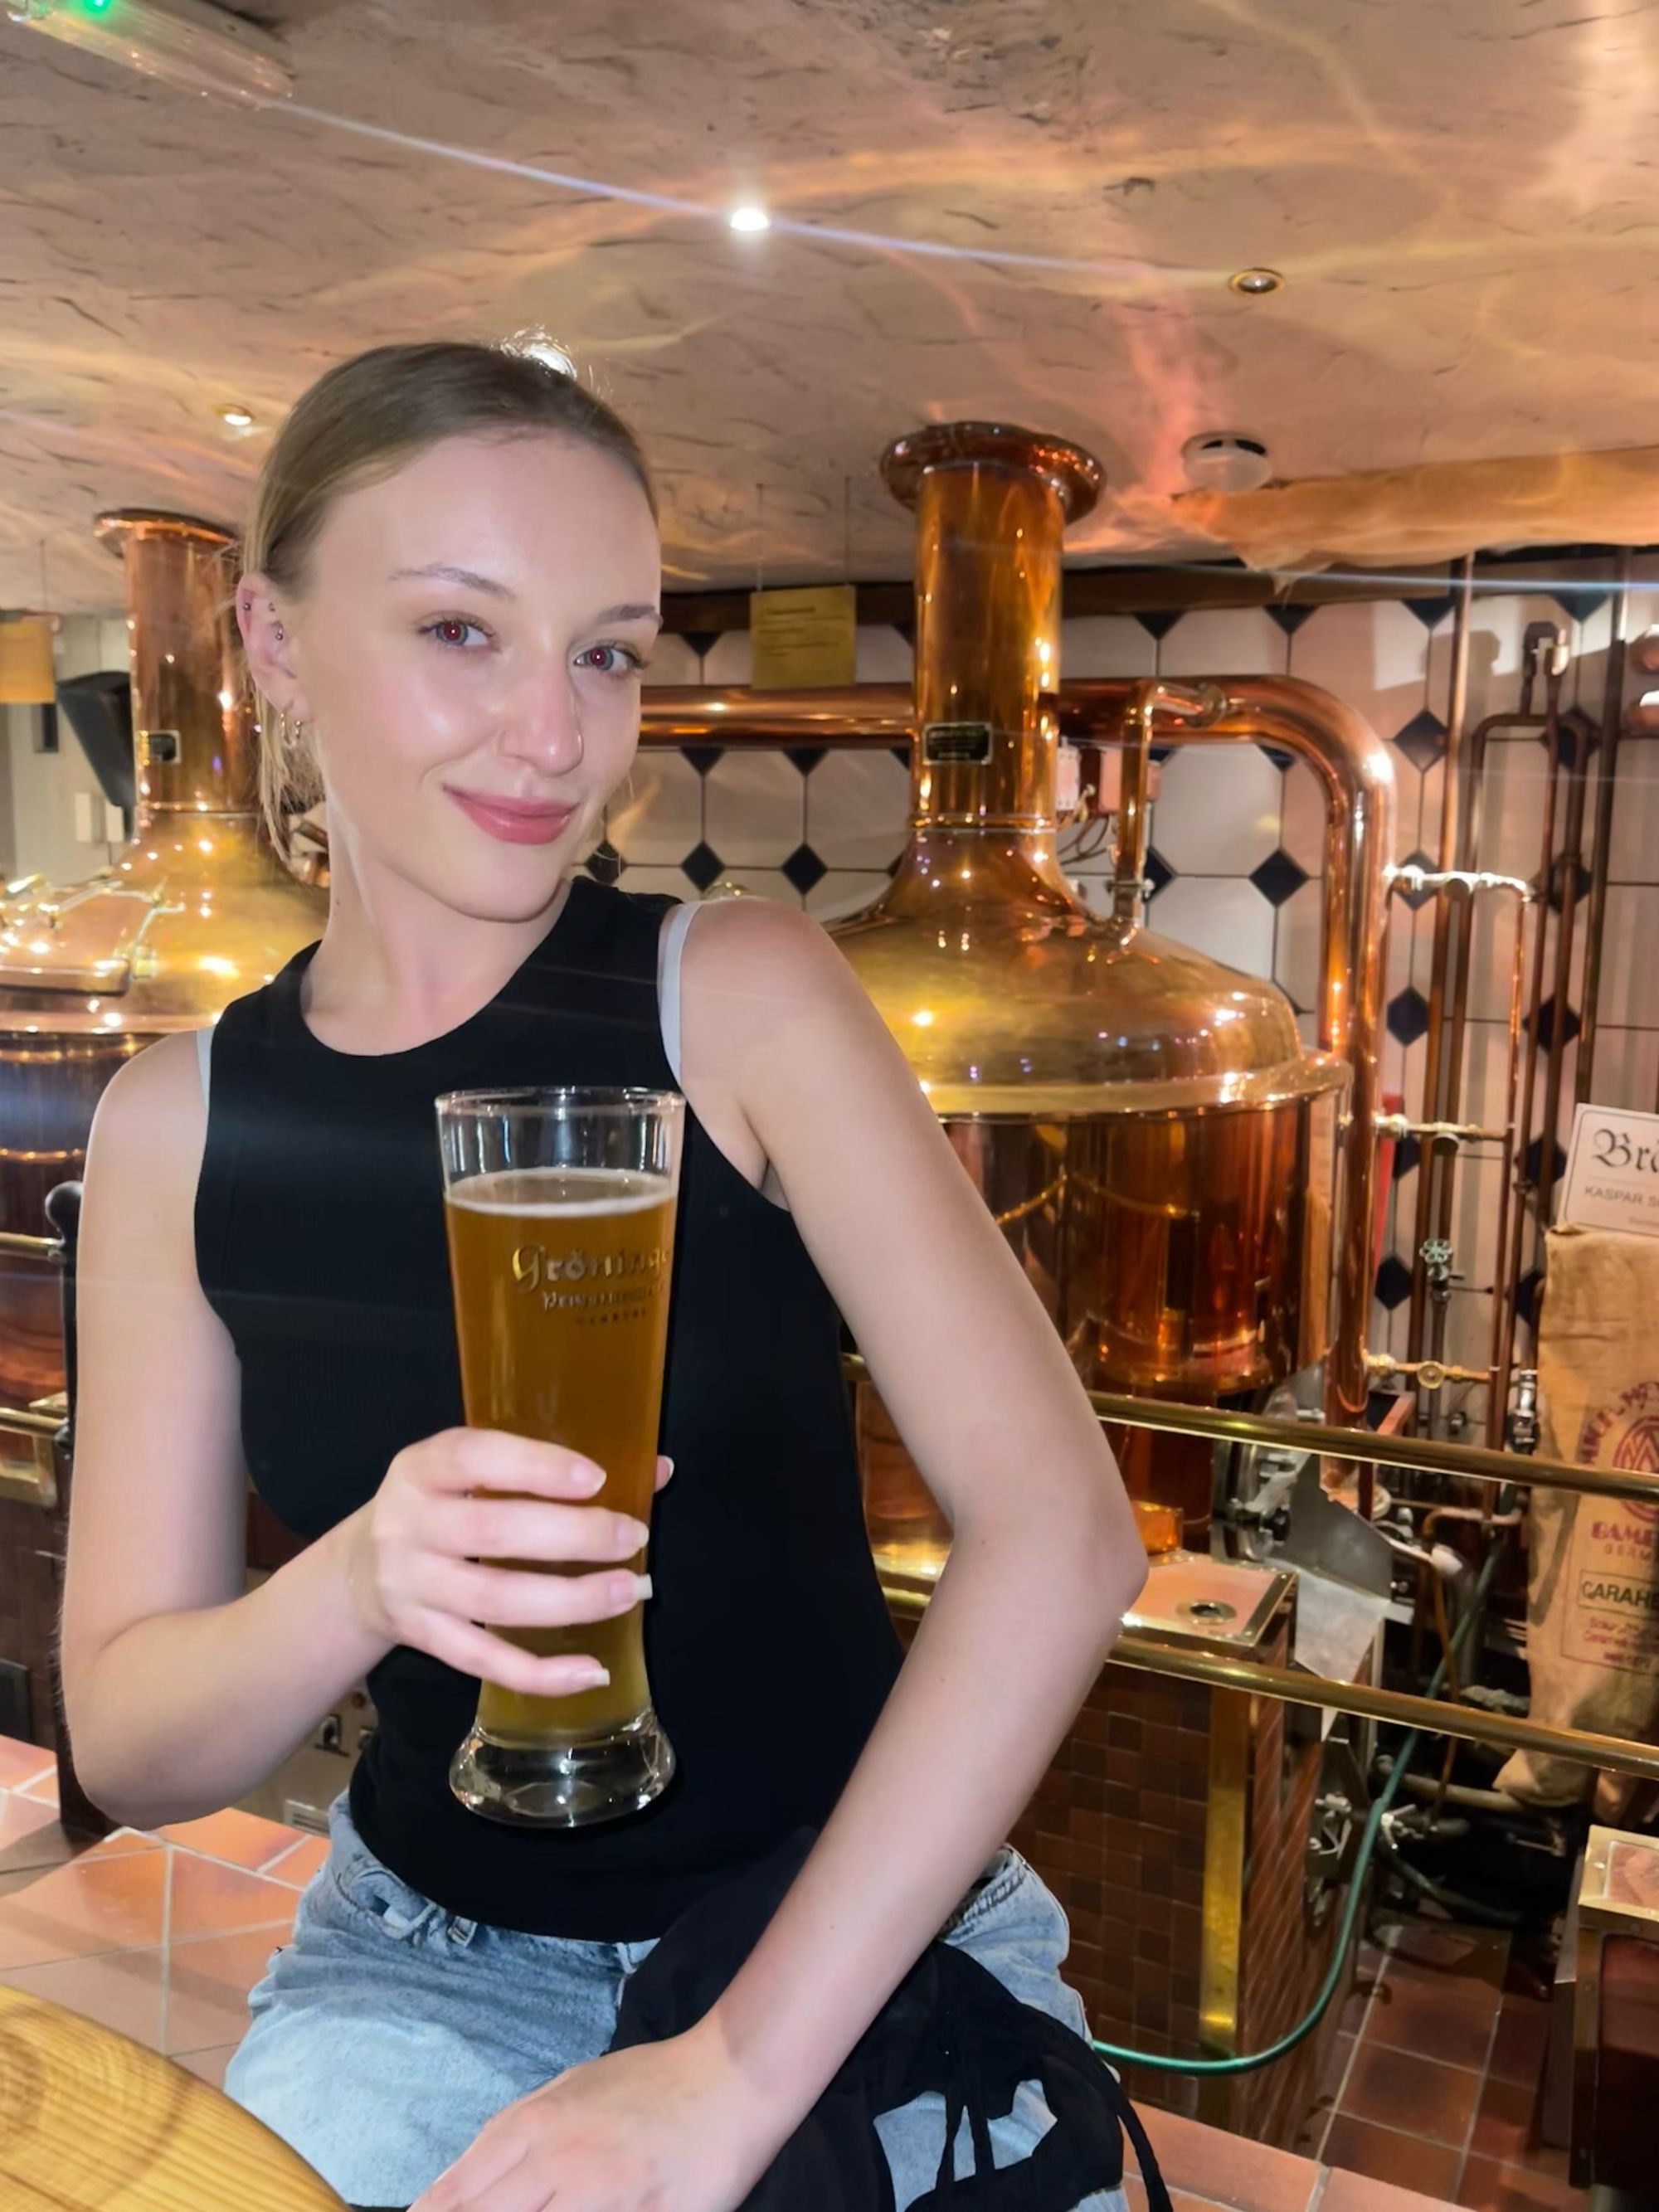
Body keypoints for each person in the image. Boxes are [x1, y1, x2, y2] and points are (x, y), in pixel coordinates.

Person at [61, 339, 1147, 2212]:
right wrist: (361, 1579)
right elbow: (132, 1743)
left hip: (844, 1934)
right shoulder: (177, 1123)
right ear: (274, 639)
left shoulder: (737, 991)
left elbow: (1065, 1535)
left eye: (608, 653)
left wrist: (726, 2076)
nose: (557, 737)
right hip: (424, 1967)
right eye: (460, 631)